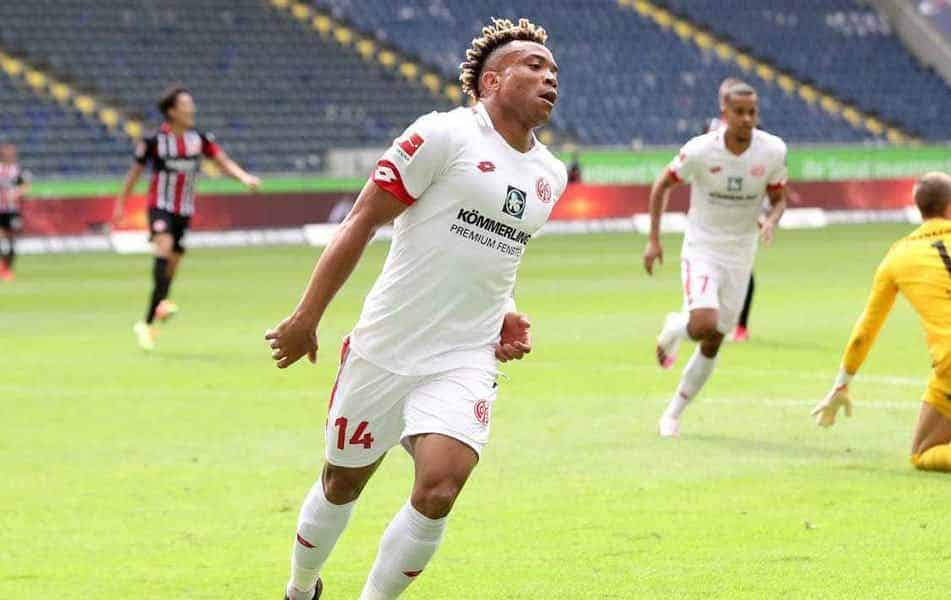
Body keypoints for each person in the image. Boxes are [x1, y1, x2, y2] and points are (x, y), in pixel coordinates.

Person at [265, 17, 565, 600]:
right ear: (492, 80)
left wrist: (506, 309)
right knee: (342, 482)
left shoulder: (549, 175)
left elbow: (490, 256)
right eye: (534, 66)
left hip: (463, 355)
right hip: (385, 347)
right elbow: (362, 220)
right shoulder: (443, 135)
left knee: (439, 490)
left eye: (553, 70)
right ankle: (300, 590)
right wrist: (306, 318)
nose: (549, 77)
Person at [644, 82, 788, 438]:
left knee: (713, 340)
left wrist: (770, 220)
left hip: (741, 253)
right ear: (724, 114)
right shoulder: (701, 151)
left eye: (752, 112)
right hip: (703, 248)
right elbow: (662, 184)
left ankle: (673, 413)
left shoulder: (772, 151)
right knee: (703, 321)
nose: (746, 119)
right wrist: (653, 240)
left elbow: (779, 197)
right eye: (739, 112)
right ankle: (677, 326)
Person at [812, 172, 951, 472]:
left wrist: (841, 386)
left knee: (924, 453)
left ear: (918, 208)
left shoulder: (897, 257)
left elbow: (866, 331)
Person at [113, 86, 260, 351]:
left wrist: (243, 177)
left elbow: (222, 161)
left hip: (184, 211)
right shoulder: (154, 141)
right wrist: (122, 202)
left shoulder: (199, 140)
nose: (191, 109)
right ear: (172, 111)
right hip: (160, 206)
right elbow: (134, 173)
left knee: (172, 264)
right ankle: (157, 311)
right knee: (164, 247)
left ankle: (149, 321)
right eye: (185, 104)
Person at [0, 143, 30, 282]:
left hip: (12, 211)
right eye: (6, 152)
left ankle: (7, 269)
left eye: (11, 152)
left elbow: (25, 186)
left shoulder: (17, 170)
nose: (9, 154)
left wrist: (16, 193)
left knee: (11, 240)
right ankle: (2, 267)